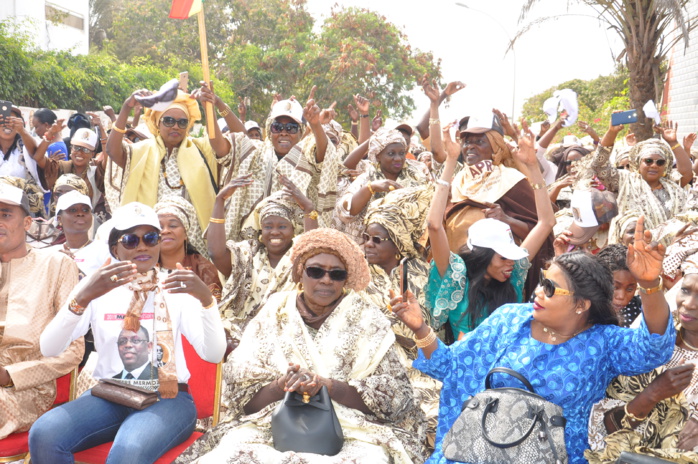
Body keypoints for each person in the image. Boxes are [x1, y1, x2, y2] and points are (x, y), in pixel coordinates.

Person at [391, 213, 675, 464]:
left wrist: (650, 286)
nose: (538, 291)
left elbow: (654, 348)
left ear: (581, 304)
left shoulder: (602, 342)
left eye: (551, 288)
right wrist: (420, 329)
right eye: (542, 281)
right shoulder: (510, 318)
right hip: (480, 448)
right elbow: (451, 366)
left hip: (552, 456)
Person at [175, 228, 426, 463]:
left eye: (336, 274)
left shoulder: (367, 318)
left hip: (353, 428)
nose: (326, 280)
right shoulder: (275, 311)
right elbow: (242, 395)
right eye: (316, 271)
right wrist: (280, 385)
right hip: (270, 423)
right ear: (300, 273)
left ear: (345, 279)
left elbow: (396, 397)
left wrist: (329, 387)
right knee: (231, 455)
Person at [29, 202, 226, 463]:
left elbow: (213, 355)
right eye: (131, 239)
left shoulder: (175, 285)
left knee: (127, 452)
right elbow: (49, 348)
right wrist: (83, 297)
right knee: (43, 433)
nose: (142, 246)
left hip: (168, 397)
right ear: (115, 248)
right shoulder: (97, 286)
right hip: (111, 395)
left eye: (151, 238)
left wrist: (206, 302)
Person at [422, 81, 554, 297]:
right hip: (459, 281)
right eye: (466, 141)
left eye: (479, 141)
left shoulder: (512, 179)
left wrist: (507, 220)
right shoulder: (457, 181)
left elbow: (543, 228)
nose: (470, 146)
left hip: (500, 283)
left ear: (495, 146)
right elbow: (436, 226)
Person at [426, 121, 556, 340]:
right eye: (504, 256)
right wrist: (450, 160)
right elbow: (434, 225)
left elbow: (546, 222)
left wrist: (533, 167)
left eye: (511, 255)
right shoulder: (455, 276)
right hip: (464, 372)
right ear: (482, 253)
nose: (511, 263)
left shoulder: (513, 276)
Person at [586, 256, 698, 463]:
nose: (689, 304)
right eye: (685, 290)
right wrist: (653, 393)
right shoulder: (654, 341)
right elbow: (607, 427)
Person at [0, 182, 83, 439]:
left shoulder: (57, 265)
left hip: (26, 388)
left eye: (5, 215)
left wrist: (10, 375)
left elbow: (74, 350)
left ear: (27, 223)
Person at [105, 82, 231, 232]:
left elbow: (221, 146)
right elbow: (112, 151)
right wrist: (127, 107)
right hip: (151, 235)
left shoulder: (201, 149)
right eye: (169, 121)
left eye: (182, 122)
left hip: (193, 237)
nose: (176, 126)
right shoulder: (142, 150)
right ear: (158, 123)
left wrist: (209, 108)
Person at [217, 88, 340, 240]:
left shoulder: (307, 154)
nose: (284, 132)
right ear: (270, 131)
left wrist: (315, 125)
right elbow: (222, 147)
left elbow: (325, 154)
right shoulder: (256, 151)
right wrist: (216, 103)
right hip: (251, 239)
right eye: (277, 127)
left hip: (293, 241)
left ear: (301, 132)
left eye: (291, 128)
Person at [209, 177, 316, 338]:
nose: (274, 232)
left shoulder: (300, 255)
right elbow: (216, 253)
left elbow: (314, 247)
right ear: (260, 231)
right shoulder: (248, 254)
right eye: (267, 226)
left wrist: (308, 208)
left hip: (287, 335)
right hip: (240, 334)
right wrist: (220, 201)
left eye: (282, 226)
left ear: (293, 230)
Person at [590, 117, 691, 238]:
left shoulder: (671, 185)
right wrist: (612, 132)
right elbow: (598, 166)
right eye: (648, 161)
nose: (654, 165)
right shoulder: (624, 181)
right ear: (638, 163)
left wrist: (673, 142)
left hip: (667, 251)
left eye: (660, 162)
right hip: (632, 249)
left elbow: (686, 174)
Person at [336, 127, 429, 243]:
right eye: (391, 154)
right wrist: (371, 188)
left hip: (406, 248)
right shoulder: (367, 177)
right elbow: (345, 213)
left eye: (401, 153)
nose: (398, 158)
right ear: (378, 155)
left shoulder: (417, 176)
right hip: (368, 248)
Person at [153, 195, 221, 300]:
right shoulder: (147, 267)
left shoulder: (204, 270)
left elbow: (215, 309)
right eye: (160, 227)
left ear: (185, 234)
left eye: (173, 226)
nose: (165, 231)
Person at [34, 125, 106, 210]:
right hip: (61, 219)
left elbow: (108, 159)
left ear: (92, 154)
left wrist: (102, 130)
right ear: (71, 149)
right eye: (76, 148)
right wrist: (50, 134)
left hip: (86, 220)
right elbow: (38, 157)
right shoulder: (60, 167)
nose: (80, 152)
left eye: (86, 150)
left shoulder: (97, 171)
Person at [47, 190, 110, 278]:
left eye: (85, 210)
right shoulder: (51, 254)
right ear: (60, 219)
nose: (80, 213)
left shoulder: (105, 252)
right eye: (73, 210)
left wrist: (73, 267)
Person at [0, 106, 42, 200]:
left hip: (22, 207)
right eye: (3, 121)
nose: (7, 125)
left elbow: (38, 153)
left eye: (12, 121)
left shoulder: (25, 147)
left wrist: (22, 131)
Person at [597, 244, 641, 328]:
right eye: (615, 287)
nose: (621, 296)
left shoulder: (640, 309)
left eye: (629, 289)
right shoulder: (585, 311)